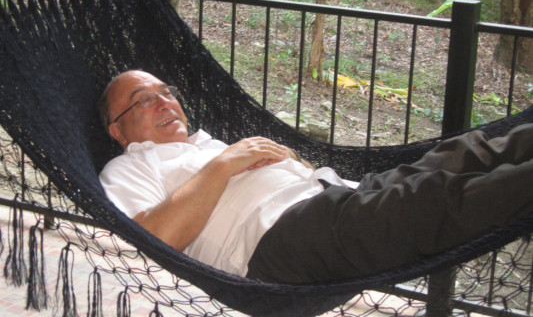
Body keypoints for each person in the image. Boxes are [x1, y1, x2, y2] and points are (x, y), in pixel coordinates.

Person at [98, 70, 533, 284]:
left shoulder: (205, 144)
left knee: (462, 155)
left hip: (337, 196)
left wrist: (290, 162)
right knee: (439, 201)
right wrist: (224, 165)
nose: (164, 103)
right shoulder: (129, 166)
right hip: (279, 241)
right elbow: (154, 237)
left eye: (166, 93)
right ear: (117, 130)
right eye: (142, 102)